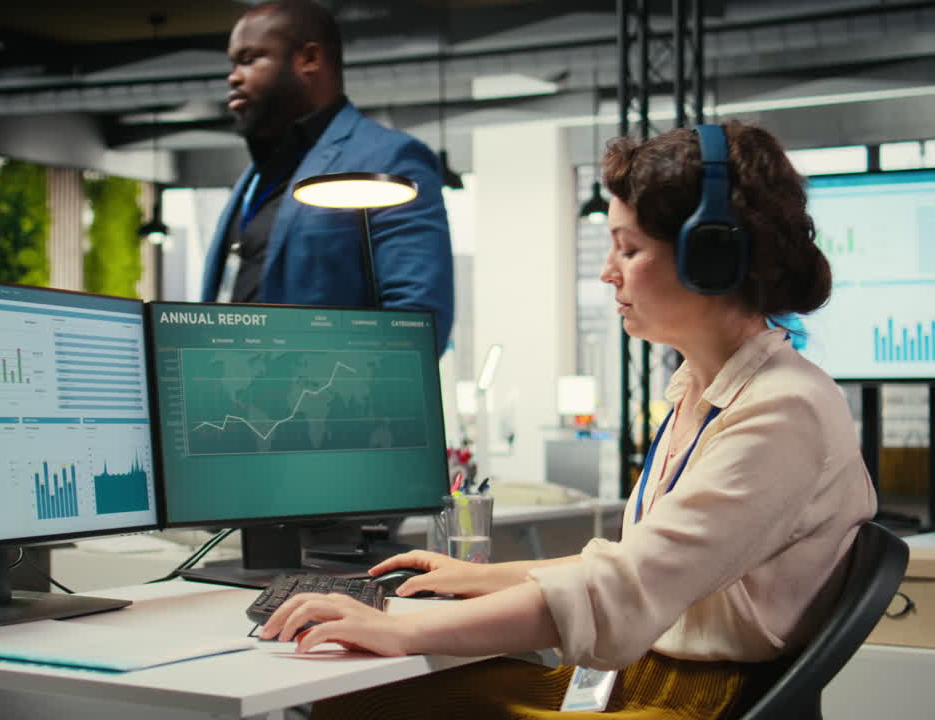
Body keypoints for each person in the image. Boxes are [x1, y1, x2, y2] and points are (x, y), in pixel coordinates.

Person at [260, 119, 877, 719]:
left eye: (629, 249)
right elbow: (632, 562)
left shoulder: (782, 409)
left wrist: (402, 632)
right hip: (644, 677)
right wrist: (484, 577)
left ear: (711, 260)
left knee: (367, 702)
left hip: (690, 700)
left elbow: (624, 589)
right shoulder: (707, 389)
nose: (608, 272)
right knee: (366, 697)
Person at [201, 0, 455, 351]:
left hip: (326, 401)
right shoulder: (254, 179)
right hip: (231, 402)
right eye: (232, 64)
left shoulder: (388, 161)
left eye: (249, 59)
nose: (233, 77)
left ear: (309, 59)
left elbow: (419, 325)